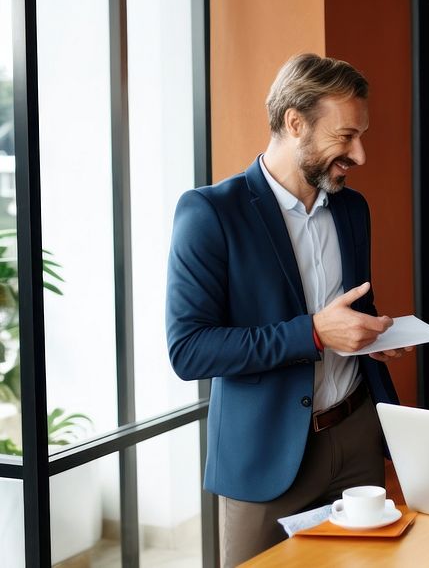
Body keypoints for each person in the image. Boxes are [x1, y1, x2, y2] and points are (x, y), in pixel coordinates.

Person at [166, 53, 410, 566]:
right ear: (295, 123)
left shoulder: (351, 208)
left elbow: (349, 309)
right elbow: (189, 350)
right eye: (346, 137)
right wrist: (316, 334)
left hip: (356, 436)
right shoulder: (211, 213)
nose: (360, 155)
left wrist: (374, 334)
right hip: (265, 456)